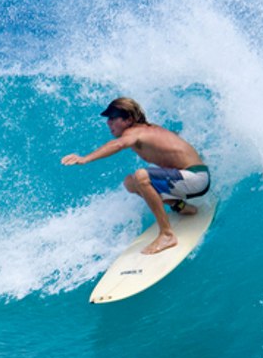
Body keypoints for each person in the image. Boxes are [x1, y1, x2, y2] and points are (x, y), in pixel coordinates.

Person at [61, 97, 210, 254]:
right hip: (192, 177)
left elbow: (118, 144)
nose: (109, 123)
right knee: (130, 182)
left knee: (141, 176)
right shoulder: (150, 130)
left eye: (113, 118)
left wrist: (85, 159)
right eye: (108, 119)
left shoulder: (134, 132)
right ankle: (182, 207)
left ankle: (167, 234)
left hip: (195, 178)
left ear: (129, 119)